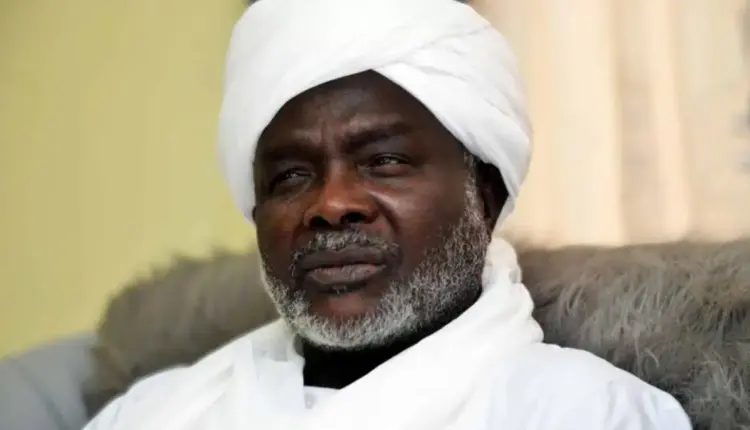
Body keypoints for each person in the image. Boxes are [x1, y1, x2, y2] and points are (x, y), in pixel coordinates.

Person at [84, 0, 693, 428]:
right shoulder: (154, 413)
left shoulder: (591, 413)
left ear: (484, 195)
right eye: (290, 176)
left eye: (385, 161)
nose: (331, 205)